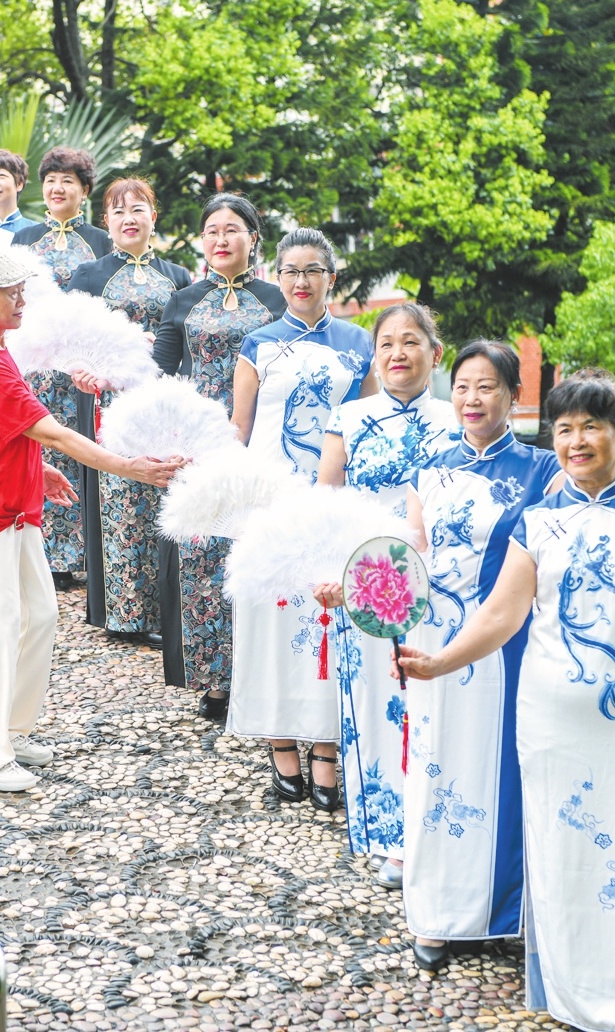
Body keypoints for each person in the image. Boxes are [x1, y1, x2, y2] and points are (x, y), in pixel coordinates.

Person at [396, 369, 615, 1031]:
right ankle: (571, 999)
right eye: (565, 429)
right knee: (558, 856)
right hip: (547, 720)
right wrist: (439, 662)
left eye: (592, 427)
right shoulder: (537, 519)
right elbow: (500, 616)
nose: (578, 441)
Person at [0, 249, 182, 792]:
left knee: (40, 615)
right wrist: (130, 468)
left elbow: (5, 431)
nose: (23, 299)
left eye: (23, 289)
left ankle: (11, 729)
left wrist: (38, 466)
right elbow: (49, 428)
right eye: (12, 292)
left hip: (15, 500)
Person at [395, 339, 560, 965]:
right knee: (435, 770)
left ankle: (511, 914)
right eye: (462, 386)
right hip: (434, 639)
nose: (471, 398)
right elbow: (410, 554)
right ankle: (435, 913)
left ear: (513, 396)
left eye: (487, 386)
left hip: (508, 646)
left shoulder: (544, 471)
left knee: (508, 773)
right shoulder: (428, 468)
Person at [310, 305, 459, 887]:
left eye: (411, 342)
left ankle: (435, 830)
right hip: (365, 578)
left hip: (436, 582)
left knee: (428, 706)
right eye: (387, 344)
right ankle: (386, 836)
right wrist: (327, 571)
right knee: (373, 707)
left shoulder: (456, 419)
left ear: (435, 353)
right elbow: (326, 502)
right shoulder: (348, 417)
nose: (398, 353)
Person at [229, 228, 376, 812]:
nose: (300, 281)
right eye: (289, 271)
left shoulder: (360, 343)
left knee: (327, 625)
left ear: (330, 278)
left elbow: (367, 425)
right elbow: (239, 431)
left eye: (312, 270)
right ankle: (281, 746)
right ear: (277, 278)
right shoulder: (257, 344)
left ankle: (326, 751)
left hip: (333, 508)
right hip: (270, 504)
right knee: (270, 624)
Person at [152, 192, 286, 720]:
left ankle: (265, 671)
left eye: (233, 230)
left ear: (254, 237)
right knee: (206, 553)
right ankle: (217, 678)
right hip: (204, 443)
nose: (221, 239)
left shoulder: (278, 299)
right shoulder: (184, 299)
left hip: (266, 443)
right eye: (212, 231)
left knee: (259, 552)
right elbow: (159, 371)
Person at [65, 179, 192, 668]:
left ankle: (164, 610)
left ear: (154, 217)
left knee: (161, 494)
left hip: (162, 402)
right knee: (117, 497)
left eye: (138, 210)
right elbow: (68, 337)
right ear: (106, 222)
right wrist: (82, 367)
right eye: (118, 212)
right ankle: (122, 610)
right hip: (107, 401)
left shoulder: (179, 277)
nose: (128, 219)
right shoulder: (88, 276)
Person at [13, 148, 112, 591]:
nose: (57, 188)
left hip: (84, 367)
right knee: (42, 448)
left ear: (84, 190)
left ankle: (89, 552)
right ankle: (44, 555)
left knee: (83, 446)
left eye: (67, 181)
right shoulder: (24, 239)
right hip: (35, 363)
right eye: (51, 180)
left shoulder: (101, 242)